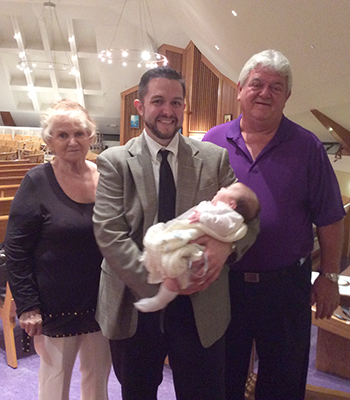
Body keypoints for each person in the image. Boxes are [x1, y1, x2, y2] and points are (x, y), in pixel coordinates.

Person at [93, 66, 260, 400]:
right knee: (137, 391)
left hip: (201, 303)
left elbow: (250, 220)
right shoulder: (115, 162)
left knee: (203, 392)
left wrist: (224, 250)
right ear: (140, 107)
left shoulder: (214, 159)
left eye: (176, 102)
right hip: (135, 298)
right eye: (158, 101)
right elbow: (109, 233)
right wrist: (165, 281)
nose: (167, 110)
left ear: (185, 107)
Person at [203, 49, 345, 400]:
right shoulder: (213, 142)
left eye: (276, 87)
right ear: (240, 88)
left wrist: (328, 278)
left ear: (287, 96)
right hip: (225, 286)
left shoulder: (307, 146)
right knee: (222, 378)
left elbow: (330, 217)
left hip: (286, 287)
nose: (265, 93)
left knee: (283, 383)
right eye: (257, 84)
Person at [5, 99, 111, 400]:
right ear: (49, 140)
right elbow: (16, 249)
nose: (72, 141)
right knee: (55, 384)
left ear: (92, 137)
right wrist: (27, 305)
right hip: (53, 305)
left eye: (79, 133)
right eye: (62, 135)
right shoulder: (36, 181)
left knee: (97, 382)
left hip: (100, 301)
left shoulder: (104, 177)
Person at [135, 182, 260, 312]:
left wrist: (228, 247)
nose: (222, 187)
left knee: (175, 270)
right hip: (133, 291)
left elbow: (248, 224)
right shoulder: (212, 206)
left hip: (199, 269)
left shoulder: (229, 214)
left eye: (227, 189)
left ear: (231, 204)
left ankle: (161, 299)